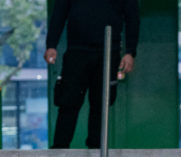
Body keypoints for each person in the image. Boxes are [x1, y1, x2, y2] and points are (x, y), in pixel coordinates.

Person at [44, 0, 139, 149]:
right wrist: (51, 45)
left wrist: (130, 52)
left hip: (108, 51)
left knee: (101, 103)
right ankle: (59, 148)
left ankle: (96, 149)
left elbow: (132, 17)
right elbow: (59, 14)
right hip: (77, 51)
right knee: (68, 101)